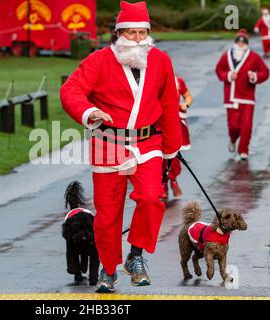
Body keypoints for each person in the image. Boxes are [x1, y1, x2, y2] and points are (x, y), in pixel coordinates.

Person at [60, 1, 181, 293]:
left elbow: (168, 103)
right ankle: (108, 270)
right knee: (108, 216)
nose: (138, 39)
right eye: (131, 32)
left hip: (148, 143)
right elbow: (71, 90)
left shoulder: (160, 60)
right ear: (118, 33)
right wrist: (90, 112)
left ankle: (136, 255)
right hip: (108, 144)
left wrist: (172, 148)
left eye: (143, 33)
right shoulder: (99, 60)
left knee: (152, 198)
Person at [215, 29, 270, 161]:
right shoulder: (226, 56)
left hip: (247, 98)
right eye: (238, 42)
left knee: (246, 127)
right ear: (235, 43)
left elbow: (265, 72)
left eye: (243, 43)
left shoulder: (254, 57)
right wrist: (228, 75)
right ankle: (233, 139)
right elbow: (219, 70)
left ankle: (243, 151)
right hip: (231, 97)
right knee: (233, 126)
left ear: (246, 44)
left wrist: (254, 76)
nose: (240, 45)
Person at [162, 76, 193, 200]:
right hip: (159, 123)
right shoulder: (154, 81)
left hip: (175, 123)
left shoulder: (178, 81)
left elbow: (188, 96)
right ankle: (163, 184)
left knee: (174, 154)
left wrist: (186, 105)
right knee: (160, 156)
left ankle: (173, 180)